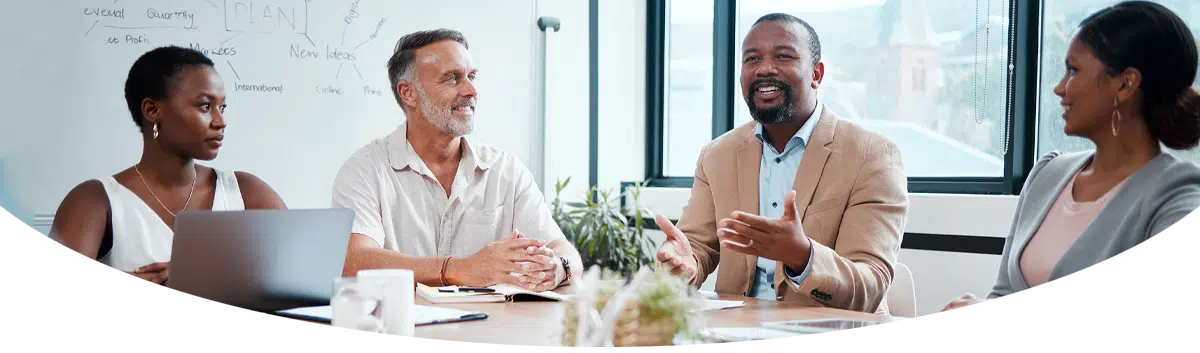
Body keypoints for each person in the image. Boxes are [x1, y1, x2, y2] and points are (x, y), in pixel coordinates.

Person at [943, 0, 1200, 312]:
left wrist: (996, 318)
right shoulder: (1048, 174)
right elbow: (1005, 295)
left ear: (1125, 83)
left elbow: (1149, 326)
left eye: (1073, 70)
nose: (1059, 88)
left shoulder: (1179, 199)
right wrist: (979, 311)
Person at [653, 13, 908, 313]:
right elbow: (696, 247)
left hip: (830, 338)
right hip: (734, 336)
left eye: (783, 56)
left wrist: (803, 256)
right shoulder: (717, 154)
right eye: (751, 59)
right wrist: (686, 264)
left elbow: (871, 285)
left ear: (816, 74)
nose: (764, 69)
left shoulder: (873, 155)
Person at [332, 28, 582, 291]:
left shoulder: (506, 170)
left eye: (471, 77)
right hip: (401, 329)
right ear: (408, 93)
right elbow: (355, 262)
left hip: (492, 329)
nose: (472, 90)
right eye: (452, 79)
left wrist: (559, 268)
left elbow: (563, 250)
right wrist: (462, 269)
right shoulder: (365, 170)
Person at [47, 46, 288, 288]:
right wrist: (155, 283)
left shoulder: (245, 192)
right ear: (152, 110)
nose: (220, 121)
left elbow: (305, 274)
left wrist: (205, 275)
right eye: (205, 106)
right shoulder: (96, 199)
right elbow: (55, 290)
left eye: (222, 107)